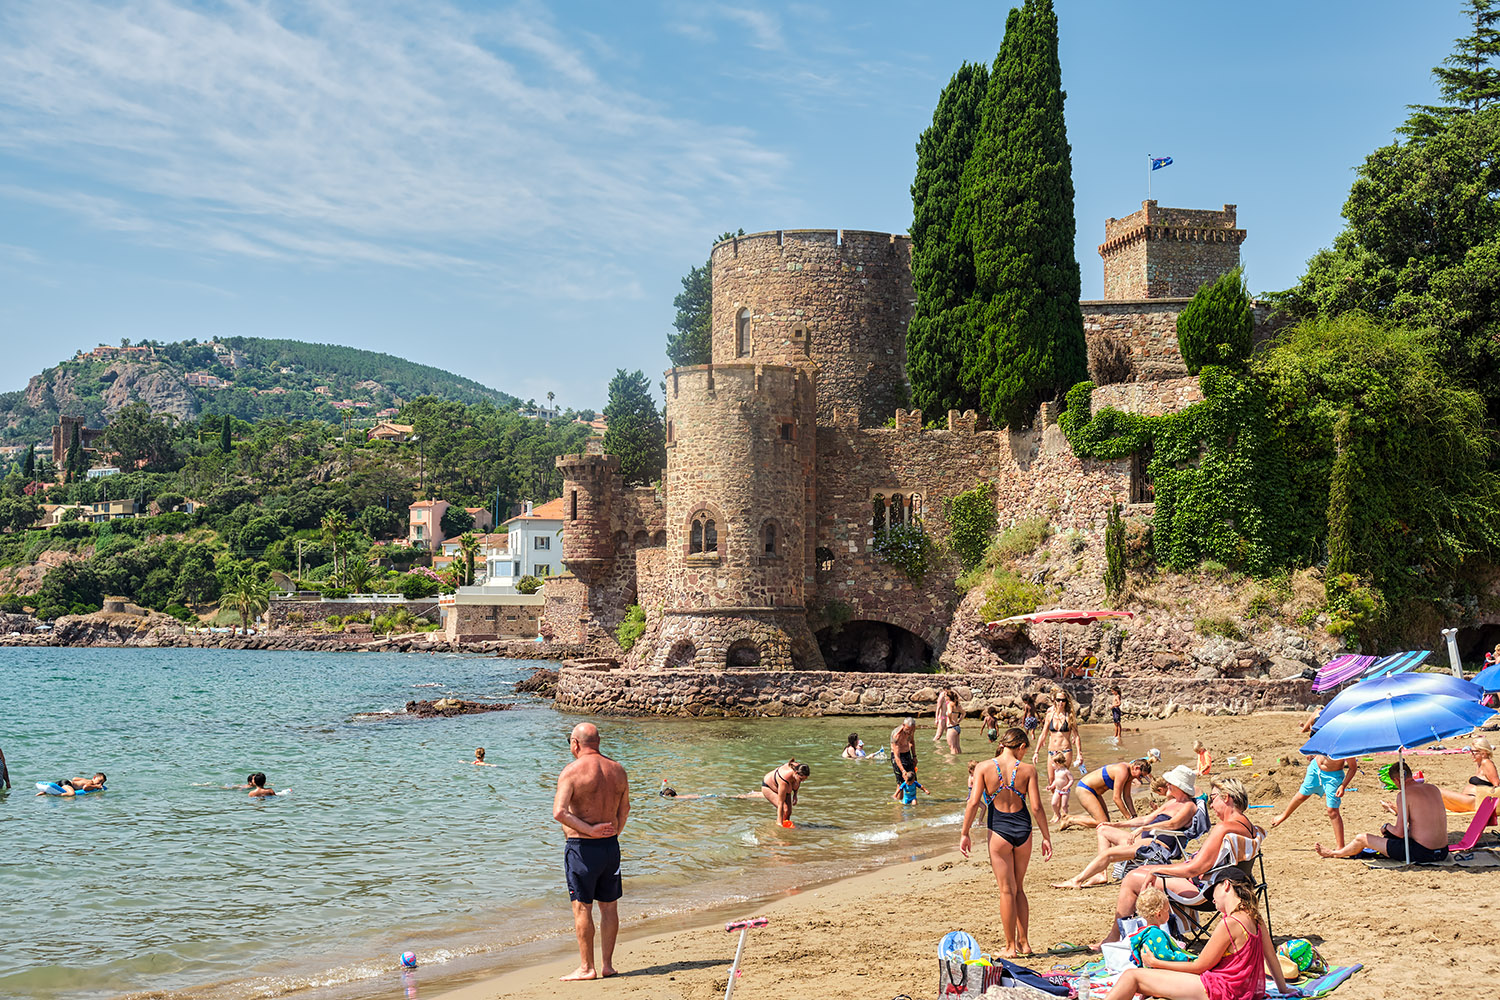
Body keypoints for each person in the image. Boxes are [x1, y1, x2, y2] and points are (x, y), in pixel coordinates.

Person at [1104, 777, 1262, 946]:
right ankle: (1168, 931)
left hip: (1206, 892)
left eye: (1213, 798)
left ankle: (1117, 937)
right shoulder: (1251, 828)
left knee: (1132, 878)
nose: (1210, 804)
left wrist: (1156, 871)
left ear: (1226, 797)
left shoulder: (1223, 828)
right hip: (1231, 887)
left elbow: (1195, 868)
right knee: (1149, 869)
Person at [1104, 866, 1298, 1000]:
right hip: (1246, 992)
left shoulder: (1230, 923)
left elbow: (1200, 966)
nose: (1212, 899)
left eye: (1213, 891)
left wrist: (1155, 963)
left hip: (1222, 992)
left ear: (1227, 886)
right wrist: (1283, 988)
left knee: (1132, 976)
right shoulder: (1255, 917)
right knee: (1150, 984)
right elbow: (1270, 956)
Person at [959, 728, 1052, 959]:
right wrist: (1046, 837)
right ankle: (1025, 943)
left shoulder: (983, 767)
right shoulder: (1028, 770)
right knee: (1019, 888)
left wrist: (965, 833)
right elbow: (1037, 807)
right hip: (1024, 830)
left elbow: (973, 803)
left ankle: (1010, 946)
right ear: (1020, 746)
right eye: (1025, 750)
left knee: (1005, 890)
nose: (1024, 754)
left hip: (999, 831)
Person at [553, 722, 630, 981]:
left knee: (582, 908)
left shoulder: (572, 771)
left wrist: (589, 830)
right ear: (598, 742)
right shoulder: (618, 770)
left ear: (575, 744)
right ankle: (607, 965)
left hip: (581, 849)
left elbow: (559, 812)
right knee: (609, 908)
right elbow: (625, 809)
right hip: (610, 848)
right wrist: (611, 833)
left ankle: (587, 968)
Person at [1052, 764, 1198, 889]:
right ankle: (1100, 874)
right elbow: (1145, 819)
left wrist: (1144, 829)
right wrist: (1116, 824)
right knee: (1102, 828)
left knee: (1108, 854)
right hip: (1143, 839)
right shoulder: (1172, 802)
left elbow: (1173, 824)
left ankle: (1076, 881)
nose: (1167, 785)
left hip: (1156, 846)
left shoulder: (1189, 806)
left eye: (1170, 783)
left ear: (1179, 786)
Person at [1315, 760, 1449, 864]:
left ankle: (1334, 853)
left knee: (1362, 838)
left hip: (1422, 853)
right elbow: (1422, 822)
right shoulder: (1433, 788)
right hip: (1442, 852)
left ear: (1396, 780)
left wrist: (1386, 827)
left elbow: (1400, 833)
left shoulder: (1404, 795)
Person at [1269, 752, 1359, 849]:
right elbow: (1314, 741)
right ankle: (1283, 816)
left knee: (1332, 811)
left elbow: (1353, 768)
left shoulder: (1346, 747)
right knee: (1301, 796)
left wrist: (1343, 786)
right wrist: (1311, 753)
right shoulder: (1325, 737)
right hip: (1315, 768)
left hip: (1333, 777)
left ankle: (1340, 847)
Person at [1064, 758, 1152, 829]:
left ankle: (1071, 819)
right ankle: (1070, 820)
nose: (1140, 779)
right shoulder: (1123, 770)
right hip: (1085, 789)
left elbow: (1127, 796)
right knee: (1102, 822)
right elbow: (1116, 798)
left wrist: (1134, 816)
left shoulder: (1130, 775)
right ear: (1136, 768)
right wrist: (1129, 819)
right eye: (1140, 776)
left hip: (1096, 793)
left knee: (1106, 822)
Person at [1127, 884, 1195, 968]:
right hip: (1160, 970)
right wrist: (1186, 957)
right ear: (1158, 914)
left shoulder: (1144, 932)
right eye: (1166, 911)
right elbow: (1166, 956)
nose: (1169, 914)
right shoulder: (1156, 934)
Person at [1032, 687, 1081, 792]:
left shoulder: (1070, 716)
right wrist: (1036, 752)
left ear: (1066, 702)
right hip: (1052, 752)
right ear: (1054, 701)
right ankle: (1055, 806)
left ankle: (1063, 806)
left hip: (1065, 751)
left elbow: (1076, 736)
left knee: (1061, 781)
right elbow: (1043, 734)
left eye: (1063, 700)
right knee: (1051, 781)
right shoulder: (1050, 715)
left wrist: (1079, 754)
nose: (1060, 702)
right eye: (1058, 700)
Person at [761, 759, 810, 828]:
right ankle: (779, 826)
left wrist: (795, 795)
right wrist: (779, 824)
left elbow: (797, 783)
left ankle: (786, 826)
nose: (802, 781)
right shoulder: (784, 779)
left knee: (789, 812)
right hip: (769, 787)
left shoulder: (800, 768)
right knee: (785, 809)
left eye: (805, 779)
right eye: (801, 779)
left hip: (786, 786)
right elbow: (780, 803)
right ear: (796, 773)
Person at [1047, 752, 1074, 825]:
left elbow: (1071, 780)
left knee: (1064, 806)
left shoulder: (1066, 771)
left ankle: (1065, 818)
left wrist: (1067, 786)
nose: (1052, 765)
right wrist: (1051, 786)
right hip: (1057, 790)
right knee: (1053, 803)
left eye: (1053, 764)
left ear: (1058, 763)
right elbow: (1056, 780)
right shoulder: (1056, 771)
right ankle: (1057, 814)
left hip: (1065, 791)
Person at [890, 717, 918, 786]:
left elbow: (911, 742)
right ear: (903, 725)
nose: (909, 732)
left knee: (913, 780)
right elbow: (897, 756)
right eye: (908, 730)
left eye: (911, 730)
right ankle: (897, 797)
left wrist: (914, 756)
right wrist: (903, 770)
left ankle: (912, 797)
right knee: (901, 783)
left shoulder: (911, 730)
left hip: (907, 754)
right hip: (898, 757)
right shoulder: (897, 736)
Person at [37, 772, 106, 796]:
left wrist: (80, 781)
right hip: (67, 783)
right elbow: (85, 787)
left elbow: (74, 778)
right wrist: (96, 786)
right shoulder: (90, 782)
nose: (100, 783)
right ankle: (55, 795)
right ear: (94, 777)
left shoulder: (86, 780)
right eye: (99, 781)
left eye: (102, 783)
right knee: (71, 794)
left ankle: (44, 792)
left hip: (63, 782)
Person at [940, 685, 963, 753]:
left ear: (949, 697)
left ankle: (952, 762)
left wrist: (950, 720)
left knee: (952, 747)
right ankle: (959, 761)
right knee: (957, 747)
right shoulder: (956, 704)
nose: (945, 697)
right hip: (957, 727)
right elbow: (964, 713)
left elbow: (949, 713)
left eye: (946, 696)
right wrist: (959, 720)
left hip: (951, 727)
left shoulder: (949, 704)